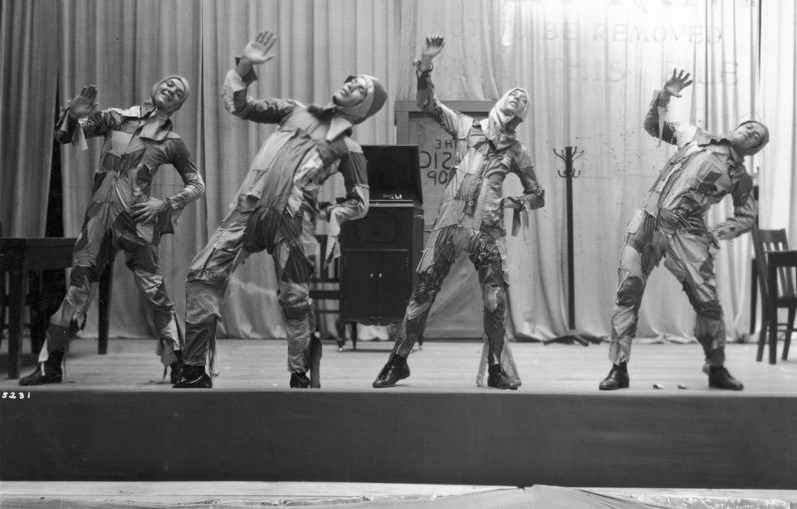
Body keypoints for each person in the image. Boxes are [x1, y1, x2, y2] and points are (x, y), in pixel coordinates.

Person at [175, 31, 387, 389]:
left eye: (361, 89)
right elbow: (241, 107)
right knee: (202, 275)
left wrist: (336, 215)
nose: (352, 84)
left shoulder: (348, 147)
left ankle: (300, 370)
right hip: (248, 210)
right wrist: (244, 67)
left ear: (363, 108)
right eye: (353, 80)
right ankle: (195, 368)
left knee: (294, 298)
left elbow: (360, 201)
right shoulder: (295, 111)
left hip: (292, 225)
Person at [373, 35, 545, 390]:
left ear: (523, 116)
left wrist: (518, 204)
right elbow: (429, 104)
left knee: (494, 298)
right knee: (423, 292)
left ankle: (496, 368)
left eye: (522, 102)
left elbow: (537, 193)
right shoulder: (467, 127)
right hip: (450, 225)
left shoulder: (518, 151)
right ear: (500, 103)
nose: (517, 100)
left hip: (488, 231)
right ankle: (398, 361)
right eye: (512, 96)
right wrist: (425, 66)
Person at [19, 76, 205, 386]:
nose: (170, 89)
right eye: (168, 84)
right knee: (77, 289)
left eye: (178, 92)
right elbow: (65, 136)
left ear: (179, 105)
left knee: (155, 293)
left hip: (136, 224)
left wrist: (166, 204)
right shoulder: (117, 117)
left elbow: (197, 183)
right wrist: (74, 115)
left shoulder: (172, 140)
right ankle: (49, 364)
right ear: (155, 86)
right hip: (97, 222)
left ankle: (179, 365)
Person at [599, 69, 769, 392]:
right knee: (627, 290)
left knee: (708, 301)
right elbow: (654, 127)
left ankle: (717, 368)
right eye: (749, 126)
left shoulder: (740, 177)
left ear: (754, 151)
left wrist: (720, 231)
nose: (749, 133)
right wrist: (664, 96)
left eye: (756, 137)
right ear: (738, 125)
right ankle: (618, 367)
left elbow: (748, 215)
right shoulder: (696, 135)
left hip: (688, 233)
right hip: (648, 219)